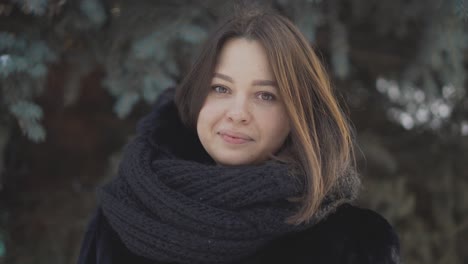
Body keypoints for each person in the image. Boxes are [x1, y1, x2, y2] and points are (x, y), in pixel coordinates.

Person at [77, 5, 401, 264]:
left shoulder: (351, 240)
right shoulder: (120, 217)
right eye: (220, 88)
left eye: (265, 96)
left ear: (297, 114)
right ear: (196, 96)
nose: (237, 112)